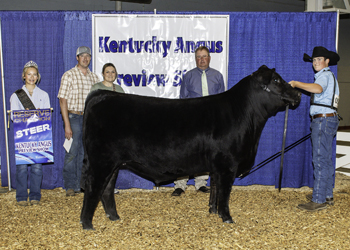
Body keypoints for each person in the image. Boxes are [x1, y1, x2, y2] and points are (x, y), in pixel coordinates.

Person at [289, 46, 340, 211]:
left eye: (320, 59)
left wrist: (296, 84)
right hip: (329, 119)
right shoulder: (329, 75)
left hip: (323, 121)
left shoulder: (324, 76)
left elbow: (318, 89)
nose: (316, 62)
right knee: (325, 160)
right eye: (314, 60)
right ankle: (326, 195)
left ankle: (318, 200)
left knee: (319, 160)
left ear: (327, 61)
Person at [172, 46, 225, 196]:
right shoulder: (188, 76)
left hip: (211, 120)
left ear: (209, 58)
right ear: (195, 59)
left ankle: (201, 183)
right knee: (186, 151)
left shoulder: (217, 76)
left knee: (206, 151)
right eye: (199, 57)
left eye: (204, 56)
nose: (202, 59)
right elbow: (182, 100)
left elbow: (222, 100)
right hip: (192, 119)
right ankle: (180, 184)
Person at [57, 46, 100, 197]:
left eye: (88, 56)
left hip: (89, 118)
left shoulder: (94, 78)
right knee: (72, 151)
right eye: (82, 56)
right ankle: (70, 185)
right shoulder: (68, 75)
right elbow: (63, 100)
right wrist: (67, 123)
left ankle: (81, 184)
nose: (85, 58)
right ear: (77, 58)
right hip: (73, 116)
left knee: (85, 152)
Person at [10, 61, 51, 206]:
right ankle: (21, 196)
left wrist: (33, 114)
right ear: (24, 76)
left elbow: (47, 115)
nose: (32, 77)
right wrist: (30, 115)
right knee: (21, 167)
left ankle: (35, 195)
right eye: (29, 74)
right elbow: (14, 116)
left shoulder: (44, 95)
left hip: (38, 135)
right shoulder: (16, 95)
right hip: (23, 135)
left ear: (38, 76)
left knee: (37, 167)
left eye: (34, 74)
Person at [90, 62, 124, 194]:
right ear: (103, 74)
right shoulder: (96, 88)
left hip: (114, 131)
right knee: (99, 160)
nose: (110, 74)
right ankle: (97, 186)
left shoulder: (119, 90)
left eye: (113, 72)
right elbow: (91, 109)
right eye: (107, 72)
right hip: (100, 129)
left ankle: (110, 187)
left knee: (114, 160)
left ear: (115, 75)